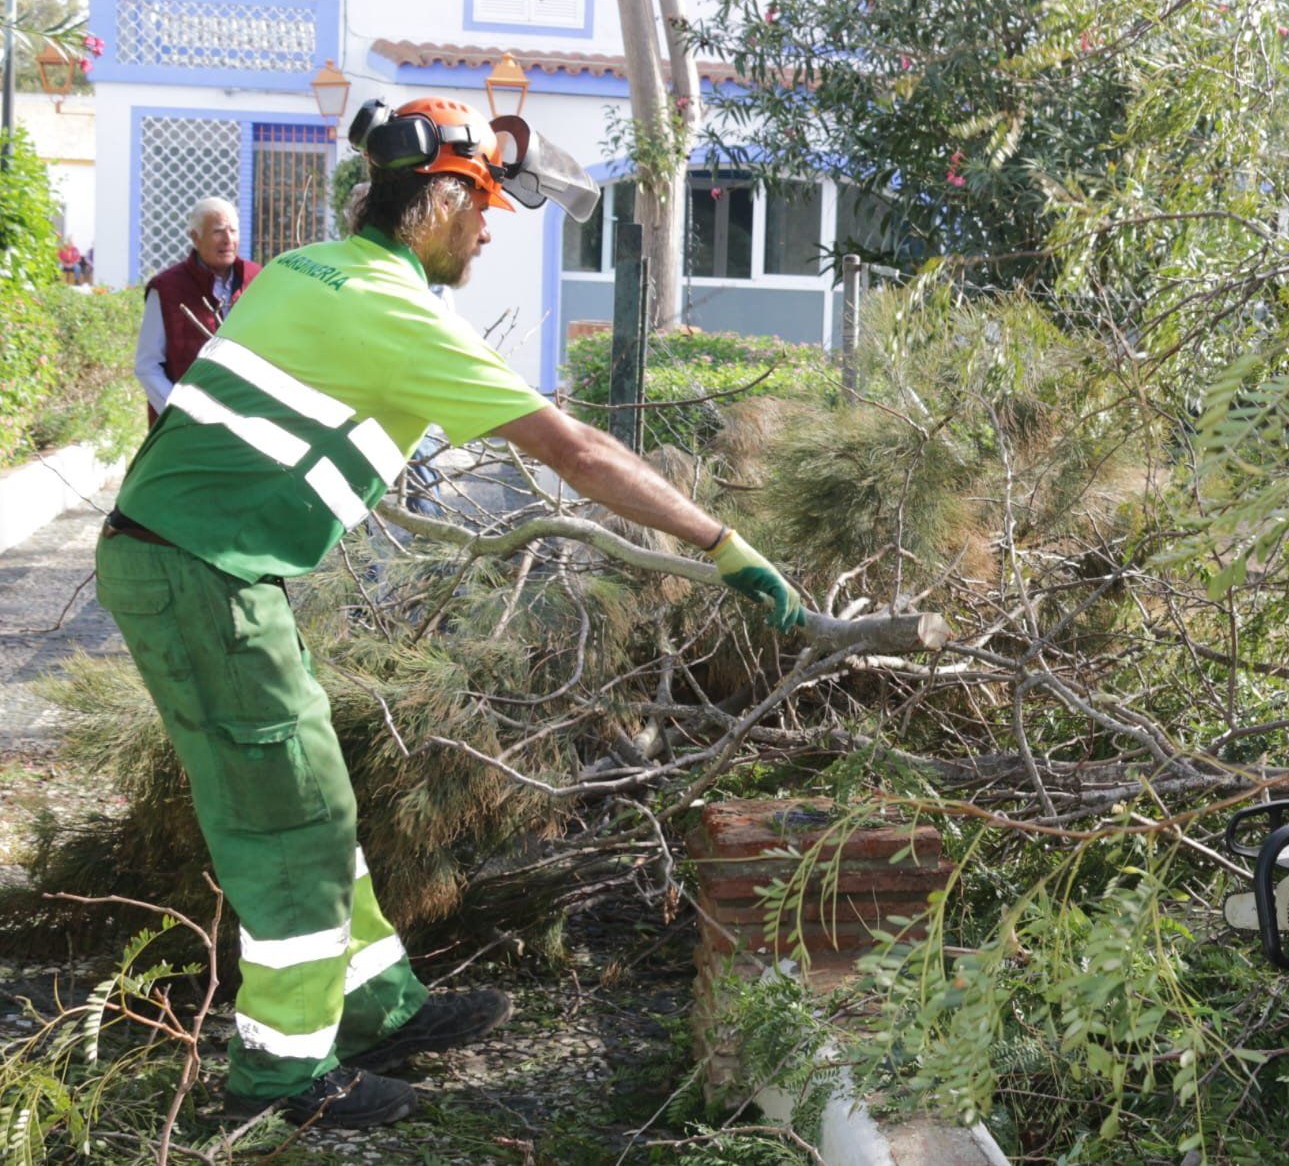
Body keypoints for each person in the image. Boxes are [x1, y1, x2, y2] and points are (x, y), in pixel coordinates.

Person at [94, 97, 805, 1130]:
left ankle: (380, 1006)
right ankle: (281, 1078)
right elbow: (576, 452)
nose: (488, 228)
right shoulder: (393, 310)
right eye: (479, 206)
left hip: (205, 564)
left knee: (316, 795)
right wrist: (720, 545)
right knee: (288, 825)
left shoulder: (308, 268)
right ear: (432, 201)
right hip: (200, 574)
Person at [134, 197, 263, 424]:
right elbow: (147, 365)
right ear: (195, 237)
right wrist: (181, 411)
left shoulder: (257, 279)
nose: (228, 240)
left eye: (233, 231)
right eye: (218, 232)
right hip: (184, 424)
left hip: (247, 418)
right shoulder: (166, 289)